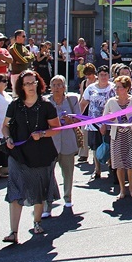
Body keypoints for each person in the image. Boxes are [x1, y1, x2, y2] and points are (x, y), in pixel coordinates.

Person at [1, 70, 61, 242]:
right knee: (15, 190)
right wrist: (7, 138)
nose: (30, 86)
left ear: (38, 83)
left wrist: (42, 133)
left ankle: (37, 221)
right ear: (21, 86)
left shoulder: (46, 105)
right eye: (26, 83)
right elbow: (4, 126)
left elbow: (56, 129)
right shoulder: (14, 105)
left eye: (33, 82)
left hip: (41, 154)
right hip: (18, 154)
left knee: (38, 189)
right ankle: (13, 232)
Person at [103, 75, 132, 199]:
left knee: (131, 164)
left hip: (131, 135)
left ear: (127, 88)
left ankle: (131, 187)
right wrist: (109, 118)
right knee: (119, 164)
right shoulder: (111, 102)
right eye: (116, 87)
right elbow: (104, 117)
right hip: (117, 136)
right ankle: (122, 189)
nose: (117, 89)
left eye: (120, 87)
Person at [43, 75, 81, 214]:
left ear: (65, 87)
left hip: (67, 141)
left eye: (60, 85)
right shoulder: (45, 102)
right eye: (54, 85)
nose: (57, 88)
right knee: (47, 175)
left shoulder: (72, 100)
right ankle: (48, 204)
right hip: (50, 143)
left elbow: (79, 119)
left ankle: (68, 198)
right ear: (50, 87)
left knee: (68, 173)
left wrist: (70, 120)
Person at [79, 65, 115, 180]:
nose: (103, 77)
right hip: (94, 124)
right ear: (97, 76)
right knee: (95, 147)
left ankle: (111, 166)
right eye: (101, 75)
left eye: (105, 75)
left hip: (110, 124)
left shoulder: (113, 88)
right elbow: (83, 103)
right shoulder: (90, 88)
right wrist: (78, 118)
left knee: (109, 146)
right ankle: (97, 169)